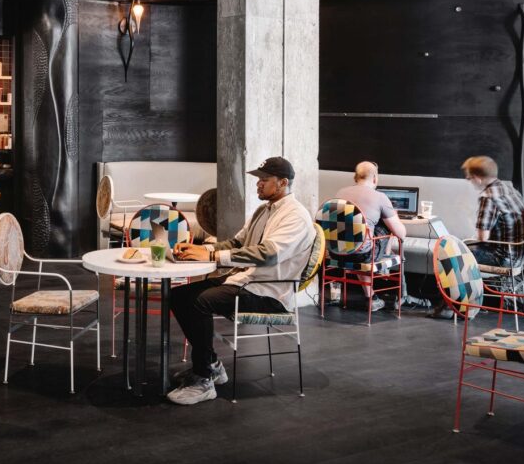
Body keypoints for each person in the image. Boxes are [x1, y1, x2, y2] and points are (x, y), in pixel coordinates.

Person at [166, 156, 316, 405]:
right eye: (258, 179)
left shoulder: (296, 216)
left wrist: (213, 255)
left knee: (200, 302)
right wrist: (201, 248)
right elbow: (237, 243)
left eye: (264, 180)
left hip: (270, 293)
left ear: (282, 183)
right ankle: (212, 365)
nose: (258, 184)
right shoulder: (263, 210)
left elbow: (268, 254)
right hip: (247, 280)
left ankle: (204, 380)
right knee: (180, 295)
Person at [332, 161, 428, 311]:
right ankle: (385, 264)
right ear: (375, 178)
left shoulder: (340, 193)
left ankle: (371, 298)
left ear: (355, 177)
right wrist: (391, 215)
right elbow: (401, 234)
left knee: (358, 237)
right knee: (383, 226)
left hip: (336, 253)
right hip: (363, 255)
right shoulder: (380, 197)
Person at [462, 155, 524, 268]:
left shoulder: (488, 196)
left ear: (477, 179)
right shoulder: (510, 189)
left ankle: (460, 286)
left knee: (455, 253)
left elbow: (483, 237)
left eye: (469, 178)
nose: (469, 181)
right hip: (519, 256)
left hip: (502, 258)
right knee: (463, 245)